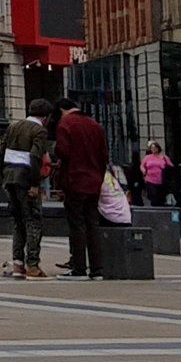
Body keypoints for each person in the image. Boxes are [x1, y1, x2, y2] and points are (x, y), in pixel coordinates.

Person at [50, 97, 109, 279]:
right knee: (93, 224)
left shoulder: (66, 124)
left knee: (77, 226)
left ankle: (79, 268)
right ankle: (97, 269)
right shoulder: (95, 125)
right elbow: (104, 156)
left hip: (75, 180)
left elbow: (63, 151)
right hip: (94, 182)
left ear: (61, 110)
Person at [0, 98, 53, 279]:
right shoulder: (39, 130)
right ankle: (33, 265)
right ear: (45, 118)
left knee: (17, 222)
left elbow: (1, 152)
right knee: (32, 221)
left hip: (9, 179)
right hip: (26, 181)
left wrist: (3, 175)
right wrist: (35, 185)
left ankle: (18, 264)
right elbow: (36, 158)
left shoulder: (13, 126)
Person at [138, 141, 170, 208]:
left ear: (158, 148)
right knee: (153, 197)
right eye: (152, 148)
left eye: (155, 148)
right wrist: (143, 171)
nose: (153, 149)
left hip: (161, 181)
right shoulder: (147, 157)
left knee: (160, 199)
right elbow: (142, 165)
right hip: (150, 180)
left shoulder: (164, 157)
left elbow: (170, 166)